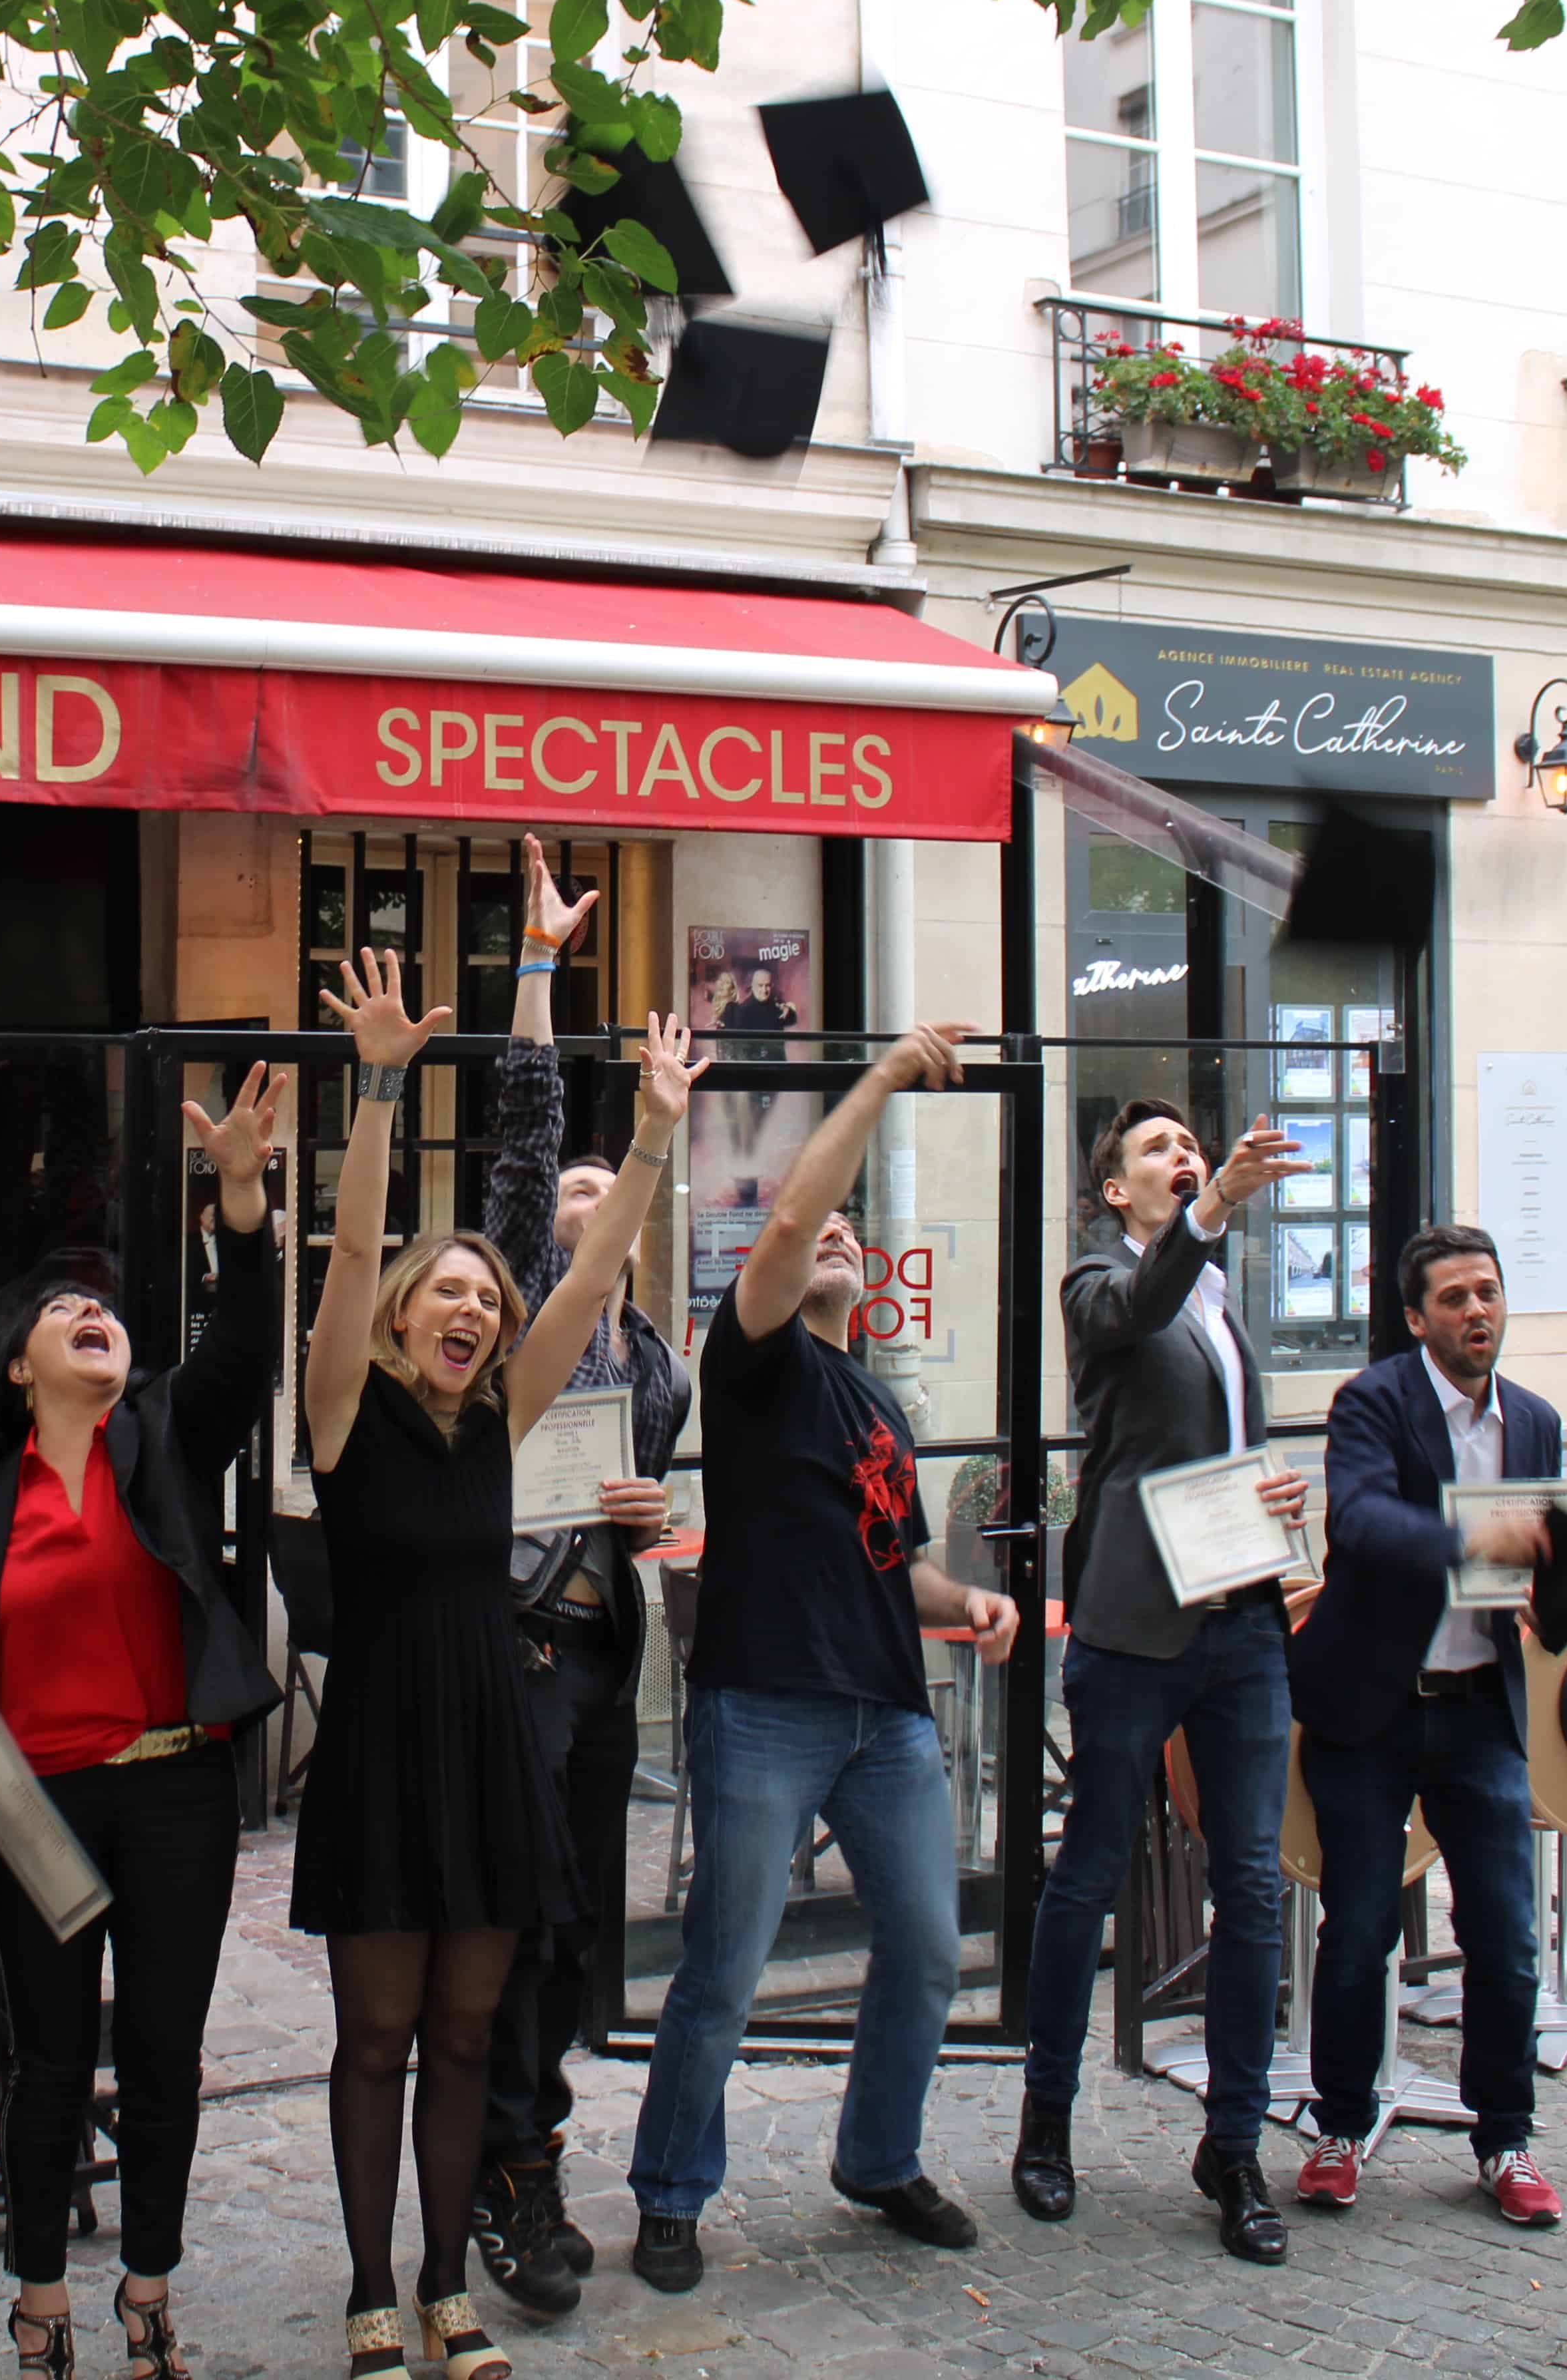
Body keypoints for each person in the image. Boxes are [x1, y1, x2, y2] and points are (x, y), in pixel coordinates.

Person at [297, 952, 690, 2380]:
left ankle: (447, 2284)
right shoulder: (345, 1415)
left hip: (489, 1745)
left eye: (483, 1296)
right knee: (380, 2037)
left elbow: (590, 1273)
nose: (467, 1307)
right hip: (388, 1746)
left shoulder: (504, 1419)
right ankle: (365, 2288)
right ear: (407, 1315)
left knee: (467, 2032)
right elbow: (345, 1251)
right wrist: (384, 1082)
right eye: (444, 1290)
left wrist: (650, 1129)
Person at [0, 1065, 288, 2380]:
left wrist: (239, 1194)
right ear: (20, 1363)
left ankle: (149, 2292)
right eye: (65, 1309)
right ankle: (42, 2298)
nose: (93, 1316)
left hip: (176, 1787)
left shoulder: (167, 1439)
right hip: (36, 1801)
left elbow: (245, 1337)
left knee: (163, 2052)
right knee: (52, 2056)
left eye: (108, 1311)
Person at [624, 1024, 1020, 2295]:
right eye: (820, 1244)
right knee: (726, 1970)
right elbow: (796, 1210)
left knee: (923, 1948)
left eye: (856, 1243)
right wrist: (890, 1074)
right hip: (766, 1708)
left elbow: (896, 1567)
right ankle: (674, 2192)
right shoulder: (753, 1363)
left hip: (886, 1723)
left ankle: (878, 2156)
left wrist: (977, 1605)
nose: (836, 1243)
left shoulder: (882, 1406)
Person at [1013, 1099, 1316, 2267]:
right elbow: (1137, 1327)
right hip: (1137, 1625)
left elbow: (1206, 1448)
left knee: (1250, 1881)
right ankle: (1048, 2119)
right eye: (1159, 1152)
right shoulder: (1099, 1287)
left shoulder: (1224, 1304)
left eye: (1192, 1146)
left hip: (1241, 1619)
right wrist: (1220, 1202)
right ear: (1116, 1194)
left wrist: (1270, 1491)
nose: (1183, 1159)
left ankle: (1231, 2144)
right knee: (1088, 1873)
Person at [463, 841, 686, 2317]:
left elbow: (645, 1513)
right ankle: (511, 2168)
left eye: (616, 1193)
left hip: (604, 1658)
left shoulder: (654, 1365)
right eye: (573, 1197)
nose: (587, 1205)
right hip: (522, 1646)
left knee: (574, 1928)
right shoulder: (533, 1307)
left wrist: (649, 1502)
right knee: (526, 1918)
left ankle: (516, 2139)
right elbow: (529, 1146)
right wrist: (540, 969)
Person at [1286, 1225, 1564, 2230]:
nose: (1476, 1312)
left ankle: (1506, 2138)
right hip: (1372, 1711)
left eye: (1487, 1293)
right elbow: (1356, 1522)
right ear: (1416, 1319)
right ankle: (1339, 2124)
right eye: (1453, 1298)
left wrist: (1548, 1589)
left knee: (1507, 1940)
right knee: (1359, 1933)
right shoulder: (1372, 1402)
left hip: (1482, 1710)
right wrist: (1468, 1537)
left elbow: (1539, 1561)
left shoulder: (1535, 1421)